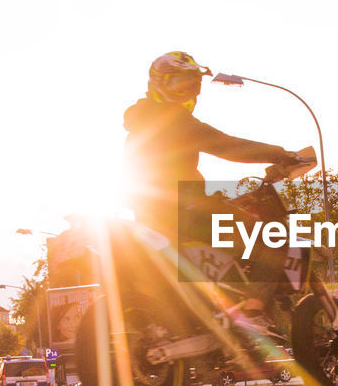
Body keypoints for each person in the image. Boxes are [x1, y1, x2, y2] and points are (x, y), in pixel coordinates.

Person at [123, 51, 304, 324]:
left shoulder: (141, 123)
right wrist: (281, 154)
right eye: (178, 83)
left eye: (191, 84)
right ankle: (254, 313)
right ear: (158, 84)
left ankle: (222, 309)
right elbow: (227, 145)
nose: (185, 91)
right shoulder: (172, 120)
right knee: (272, 238)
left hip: (153, 219)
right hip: (183, 213)